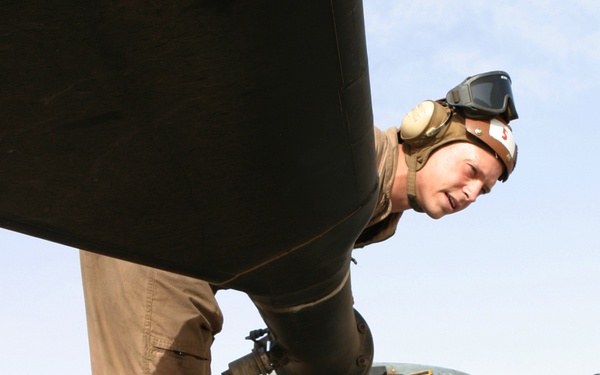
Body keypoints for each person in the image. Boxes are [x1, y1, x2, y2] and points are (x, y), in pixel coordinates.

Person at [80, 71, 519, 374]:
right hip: (157, 232)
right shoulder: (345, 157)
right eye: (471, 170)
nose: (472, 193)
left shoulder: (372, 206)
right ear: (426, 131)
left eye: (486, 189)